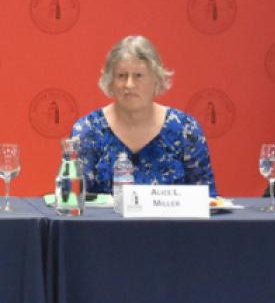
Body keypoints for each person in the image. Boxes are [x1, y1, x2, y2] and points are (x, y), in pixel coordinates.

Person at [70, 35, 217, 196]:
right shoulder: (87, 131)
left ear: (157, 80)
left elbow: (206, 200)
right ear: (110, 81)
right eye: (121, 76)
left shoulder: (185, 130)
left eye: (138, 76)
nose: (129, 85)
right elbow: (74, 200)